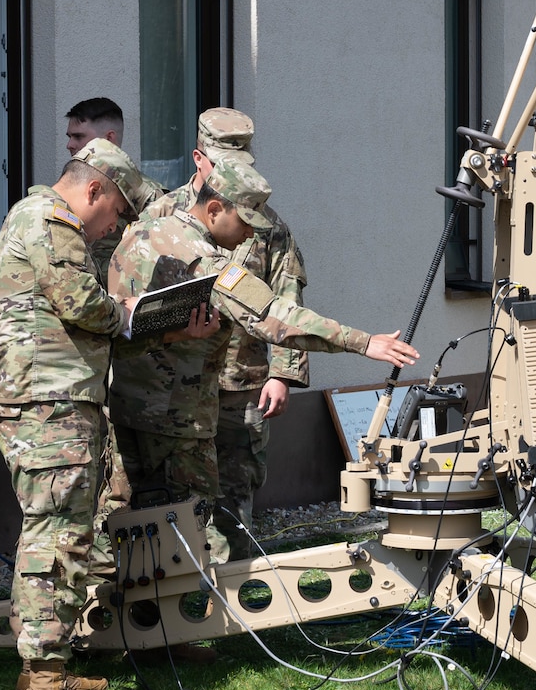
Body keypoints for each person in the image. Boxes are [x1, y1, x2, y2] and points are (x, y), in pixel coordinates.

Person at [109, 156, 418, 566]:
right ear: (215, 209)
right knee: (186, 527)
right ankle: (191, 619)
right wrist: (362, 343)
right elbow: (275, 317)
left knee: (128, 523)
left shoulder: (144, 229)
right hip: (176, 422)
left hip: (124, 409)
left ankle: (134, 619)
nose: (251, 234)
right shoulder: (205, 259)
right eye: (246, 222)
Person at [0, 138, 146, 690]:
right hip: (50, 405)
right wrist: (126, 313)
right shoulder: (52, 221)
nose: (116, 227)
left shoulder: (30, 216)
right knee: (57, 540)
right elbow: (80, 302)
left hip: (47, 400)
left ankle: (39, 675)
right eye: (118, 213)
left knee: (57, 531)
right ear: (94, 189)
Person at [139, 109, 308, 528]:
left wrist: (283, 374)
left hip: (239, 383)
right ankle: (173, 589)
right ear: (199, 159)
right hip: (174, 383)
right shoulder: (162, 215)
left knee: (236, 494)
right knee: (167, 497)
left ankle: (233, 584)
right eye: (221, 164)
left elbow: (287, 294)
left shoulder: (266, 224)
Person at [63, 97, 162, 277]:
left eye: (78, 136)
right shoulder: (72, 189)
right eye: (69, 137)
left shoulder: (146, 195)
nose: (70, 145)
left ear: (109, 138)